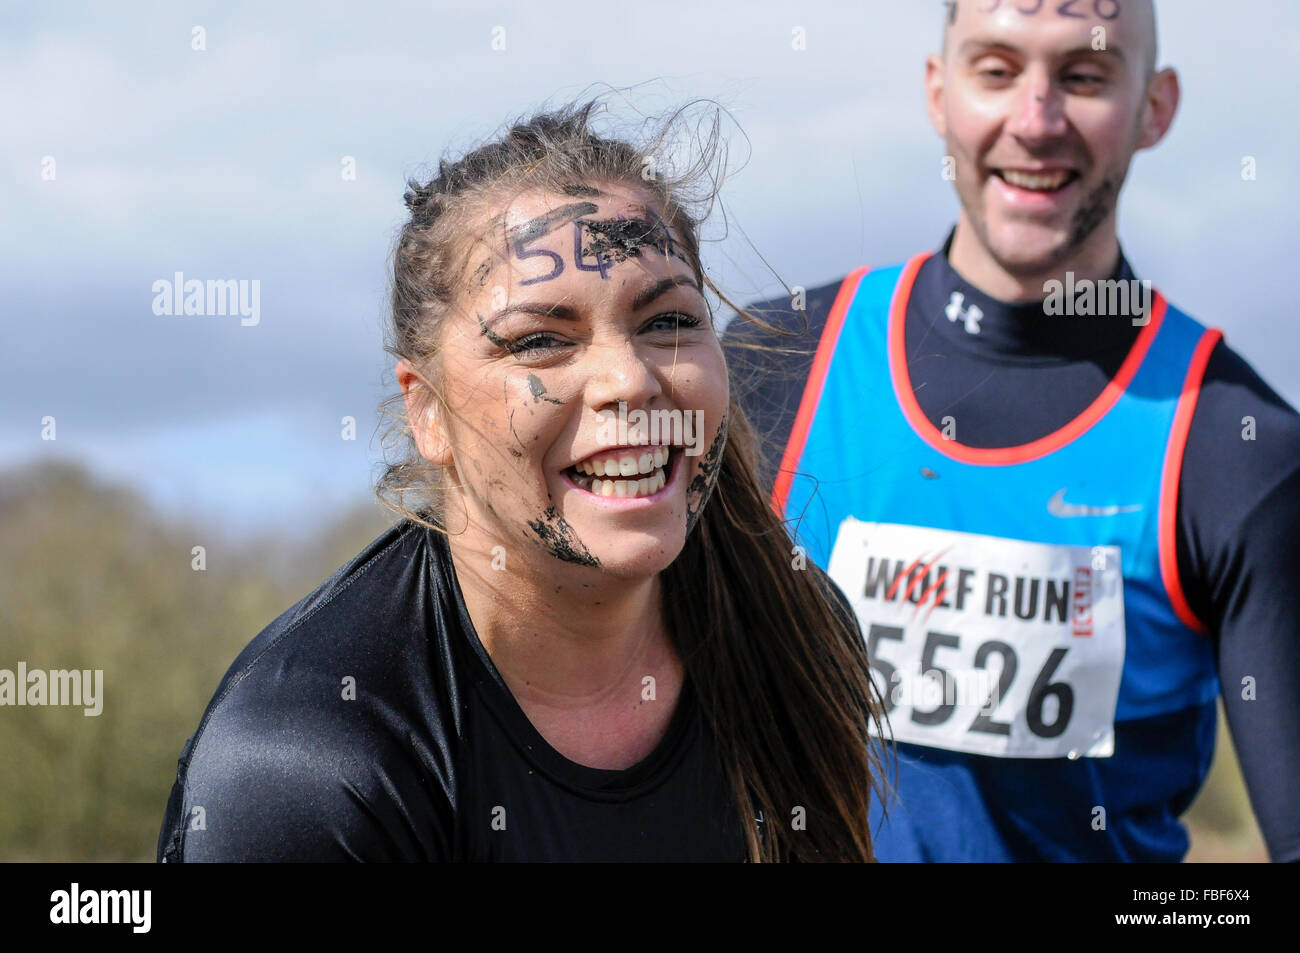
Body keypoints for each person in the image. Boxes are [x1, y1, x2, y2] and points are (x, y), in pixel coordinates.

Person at [155, 100, 885, 863]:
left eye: (667, 322)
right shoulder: (311, 765)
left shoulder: (799, 632)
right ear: (427, 411)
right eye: (541, 339)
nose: (630, 380)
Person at [726, 0, 1300, 862]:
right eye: (996, 70)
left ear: (1156, 107)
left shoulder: (1232, 442)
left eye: (1083, 75)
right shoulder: (777, 362)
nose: (1036, 121)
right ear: (937, 91)